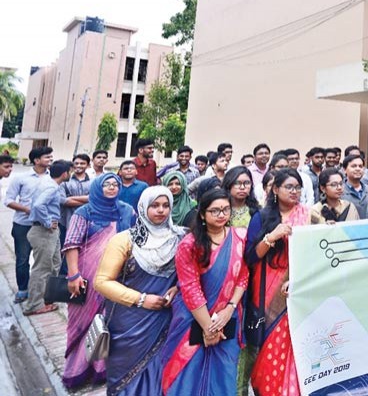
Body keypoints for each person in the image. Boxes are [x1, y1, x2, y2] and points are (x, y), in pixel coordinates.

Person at [94, 186, 183, 396]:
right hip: (129, 322)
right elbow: (102, 281)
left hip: (166, 319)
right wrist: (141, 299)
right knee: (125, 377)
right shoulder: (125, 239)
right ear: (143, 207)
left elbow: (193, 275)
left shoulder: (180, 237)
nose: (161, 210)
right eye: (154, 205)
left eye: (165, 205)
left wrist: (177, 288)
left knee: (162, 372)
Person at [160, 187, 248, 395]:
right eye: (215, 211)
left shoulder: (239, 237)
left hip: (228, 316)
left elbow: (243, 275)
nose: (221, 215)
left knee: (224, 372)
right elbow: (190, 288)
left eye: (226, 210)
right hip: (193, 317)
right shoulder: (189, 245)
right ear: (202, 214)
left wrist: (229, 308)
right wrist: (209, 327)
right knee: (187, 372)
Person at [62, 173, 136, 389]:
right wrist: (73, 275)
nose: (112, 188)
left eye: (116, 184)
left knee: (109, 322)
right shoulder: (84, 212)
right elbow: (72, 244)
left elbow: (136, 238)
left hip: (118, 279)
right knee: (82, 324)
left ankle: (101, 371)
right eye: (107, 184)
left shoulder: (126, 210)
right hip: (86, 279)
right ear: (97, 187)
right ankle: (77, 372)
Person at [245, 169, 312, 395]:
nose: (295, 192)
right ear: (275, 189)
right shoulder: (262, 217)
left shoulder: (308, 215)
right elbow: (251, 256)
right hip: (266, 290)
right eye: (289, 187)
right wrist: (272, 236)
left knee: (295, 348)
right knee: (270, 347)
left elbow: (316, 252)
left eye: (298, 187)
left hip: (297, 288)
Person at [23, 160, 72, 316]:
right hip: (43, 231)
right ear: (65, 173)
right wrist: (47, 221)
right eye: (69, 171)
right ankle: (33, 305)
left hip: (49, 231)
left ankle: (46, 297)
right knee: (42, 269)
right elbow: (38, 205)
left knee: (55, 264)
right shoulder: (51, 187)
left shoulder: (48, 183)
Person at [5, 146, 53, 303]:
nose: (50, 159)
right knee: (22, 258)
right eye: (47, 157)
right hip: (23, 225)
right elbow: (9, 200)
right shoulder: (21, 178)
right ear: (36, 160)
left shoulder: (52, 177)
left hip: (43, 226)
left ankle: (40, 290)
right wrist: (28, 210)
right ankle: (22, 290)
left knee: (44, 260)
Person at [60, 153, 92, 276]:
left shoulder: (93, 182)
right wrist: (86, 199)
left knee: (85, 252)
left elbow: (94, 199)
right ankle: (65, 280)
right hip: (66, 221)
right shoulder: (65, 182)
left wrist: (71, 198)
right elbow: (63, 201)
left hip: (88, 223)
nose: (79, 166)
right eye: (76, 163)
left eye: (82, 163)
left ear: (88, 165)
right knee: (66, 251)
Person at [342, 153, 368, 219]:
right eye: (354, 166)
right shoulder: (340, 191)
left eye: (360, 166)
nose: (358, 169)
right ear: (344, 170)